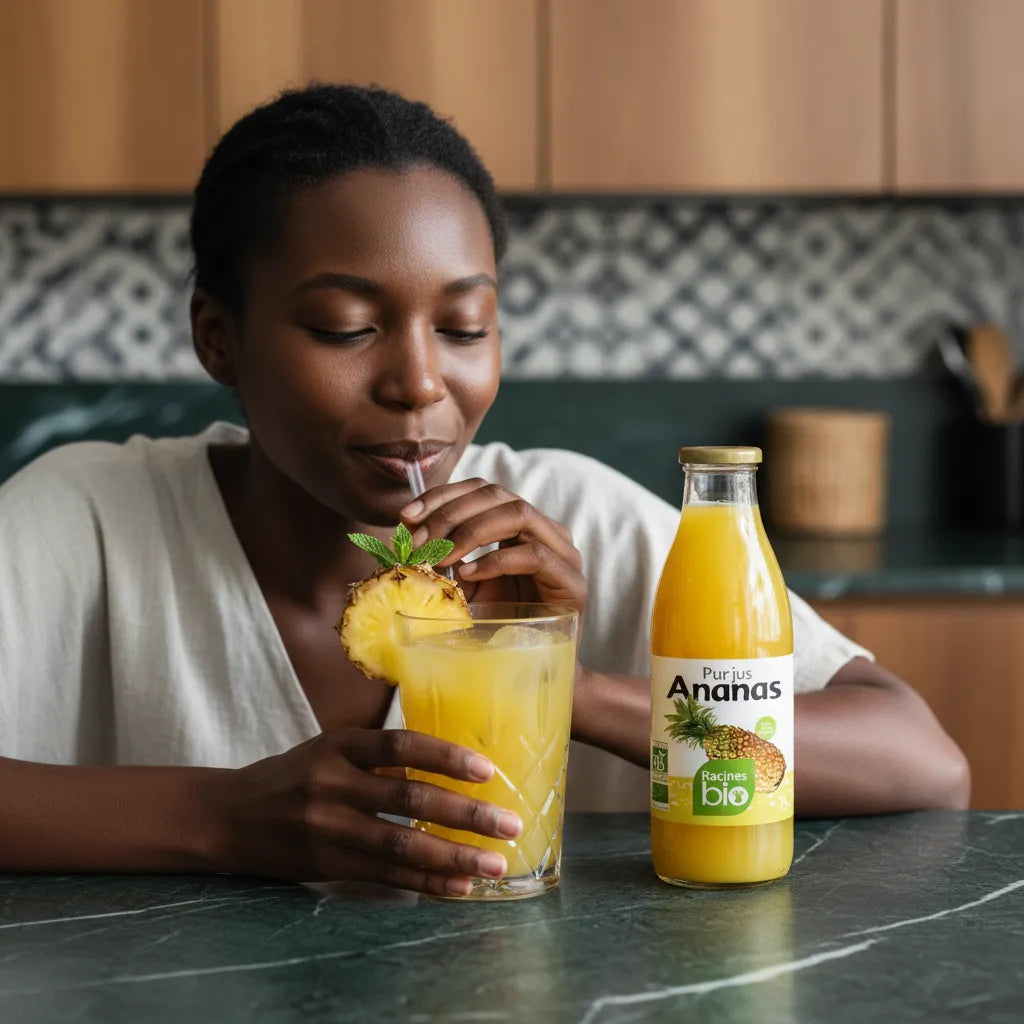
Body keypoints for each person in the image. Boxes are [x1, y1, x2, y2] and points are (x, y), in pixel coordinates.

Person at [0, 85, 969, 897]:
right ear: (218, 336)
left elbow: (919, 761)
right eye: (344, 327)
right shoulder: (86, 520)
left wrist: (570, 684)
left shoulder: (574, 518)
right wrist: (216, 817)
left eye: (463, 327)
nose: (420, 383)